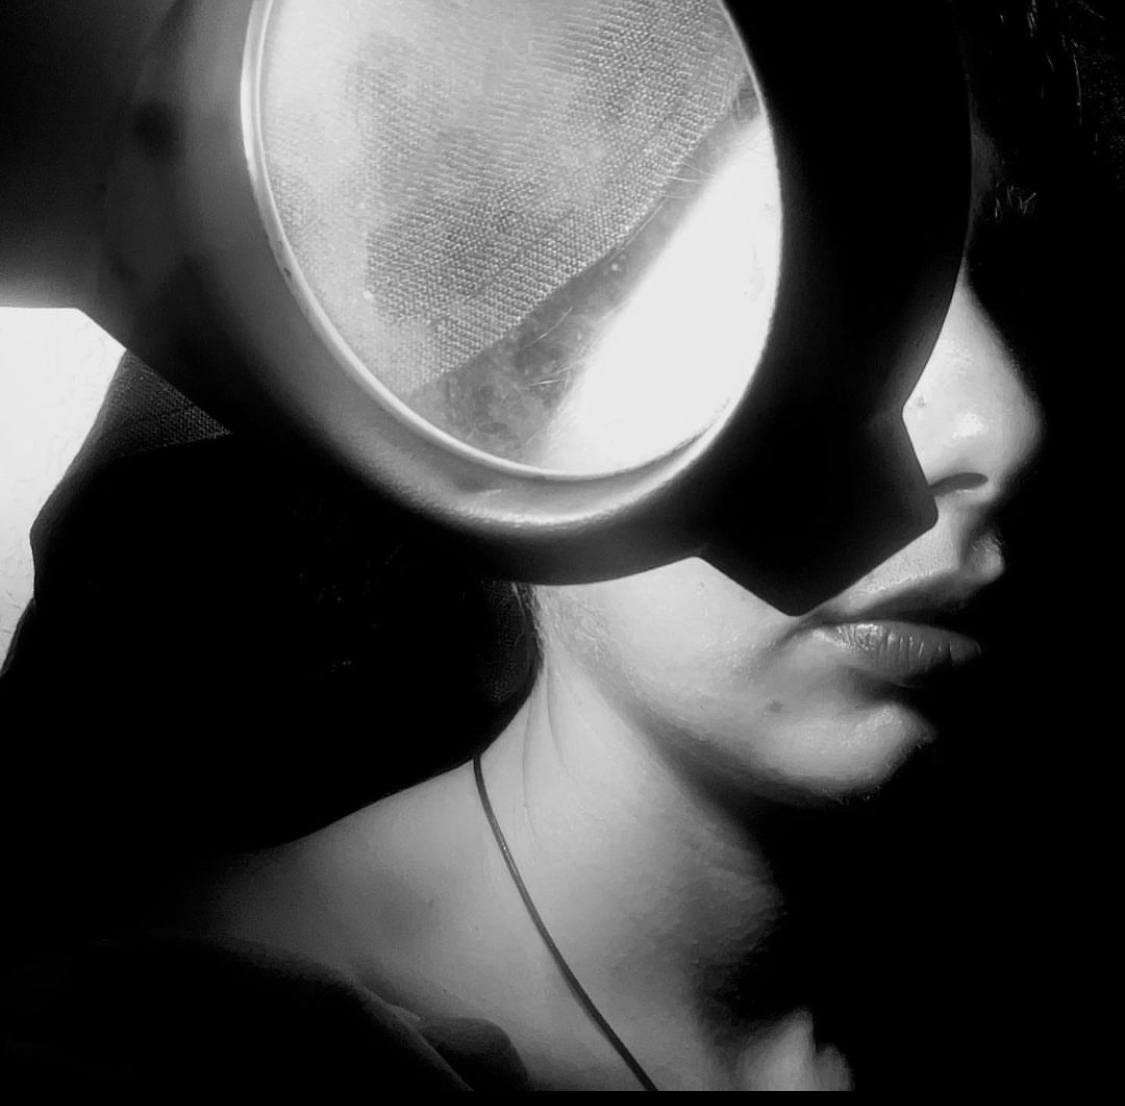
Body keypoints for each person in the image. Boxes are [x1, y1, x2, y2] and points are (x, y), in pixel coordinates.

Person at [0, 0, 1114, 1093]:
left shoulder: (1021, 997)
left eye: (1020, 283)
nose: (999, 426)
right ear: (492, 392)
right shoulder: (197, 1038)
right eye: (819, 285)